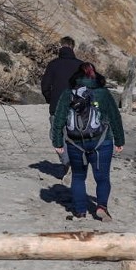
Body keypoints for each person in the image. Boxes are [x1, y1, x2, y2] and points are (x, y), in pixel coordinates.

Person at [52, 62, 125, 221]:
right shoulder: (103, 93)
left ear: (77, 76)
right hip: (102, 142)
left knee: (78, 177)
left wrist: (57, 142)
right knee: (102, 178)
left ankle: (80, 211)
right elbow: (114, 118)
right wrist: (119, 140)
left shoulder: (68, 93)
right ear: (95, 75)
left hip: (75, 142)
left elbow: (59, 119)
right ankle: (101, 207)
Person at [41, 36, 82, 174]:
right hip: (76, 107)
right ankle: (74, 163)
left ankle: (66, 161)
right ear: (72, 47)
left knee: (56, 135)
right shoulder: (81, 65)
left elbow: (45, 86)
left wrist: (50, 99)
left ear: (61, 47)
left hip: (57, 106)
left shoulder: (53, 64)